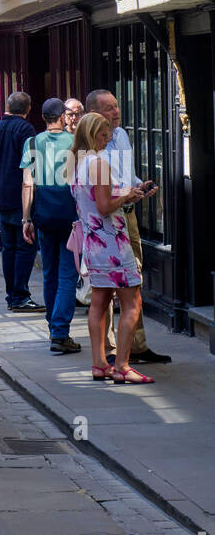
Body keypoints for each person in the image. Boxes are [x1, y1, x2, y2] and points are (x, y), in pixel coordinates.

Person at [85, 90, 171, 366]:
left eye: (117, 105)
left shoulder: (121, 135)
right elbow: (97, 199)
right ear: (95, 115)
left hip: (127, 217)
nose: (117, 112)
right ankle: (110, 350)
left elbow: (126, 174)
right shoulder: (88, 152)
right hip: (105, 225)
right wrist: (125, 194)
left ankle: (136, 345)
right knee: (107, 288)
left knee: (134, 284)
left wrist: (139, 185)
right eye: (109, 108)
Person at [69, 113, 156, 384]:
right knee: (133, 302)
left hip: (93, 243)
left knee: (99, 302)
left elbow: (94, 203)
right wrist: (129, 196)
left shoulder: (76, 163)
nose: (107, 141)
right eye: (104, 136)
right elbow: (105, 207)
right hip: (113, 243)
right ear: (92, 134)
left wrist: (130, 191)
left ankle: (99, 364)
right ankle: (122, 365)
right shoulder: (98, 164)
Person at [21, 99, 80, 355]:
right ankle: (60, 331)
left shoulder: (32, 142)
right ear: (63, 116)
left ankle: (52, 324)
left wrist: (26, 218)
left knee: (49, 272)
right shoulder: (75, 142)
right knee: (68, 272)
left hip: (43, 214)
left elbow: (27, 183)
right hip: (69, 214)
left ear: (43, 117)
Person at [0, 92, 44, 313]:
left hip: (1, 196)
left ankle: (12, 294)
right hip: (22, 195)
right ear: (27, 109)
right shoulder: (26, 130)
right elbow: (32, 165)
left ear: (8, 106)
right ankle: (19, 295)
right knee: (26, 244)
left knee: (9, 247)